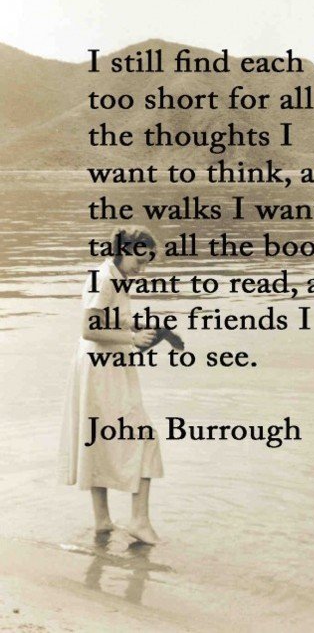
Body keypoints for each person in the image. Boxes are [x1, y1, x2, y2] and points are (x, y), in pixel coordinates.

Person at [58, 225, 164, 545]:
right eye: (140, 261)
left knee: (100, 438)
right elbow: (89, 329)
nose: (142, 270)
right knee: (145, 437)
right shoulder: (103, 278)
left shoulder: (113, 276)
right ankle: (139, 521)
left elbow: (107, 318)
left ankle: (103, 521)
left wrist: (136, 326)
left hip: (104, 365)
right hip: (100, 368)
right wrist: (131, 338)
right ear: (125, 250)